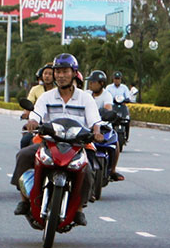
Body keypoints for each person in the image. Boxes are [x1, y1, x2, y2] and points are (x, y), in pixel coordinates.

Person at [11, 53, 103, 226]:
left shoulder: (85, 98)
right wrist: (32, 122)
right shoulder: (46, 97)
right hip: (49, 142)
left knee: (89, 171)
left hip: (77, 145)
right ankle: (24, 200)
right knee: (23, 155)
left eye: (65, 71)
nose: (61, 76)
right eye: (57, 72)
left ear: (74, 73)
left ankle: (79, 210)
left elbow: (95, 121)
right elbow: (36, 113)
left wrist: (97, 131)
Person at [86, 70, 124, 181]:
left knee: (115, 142)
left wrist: (105, 113)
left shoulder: (107, 95)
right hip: (88, 127)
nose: (90, 84)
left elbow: (108, 108)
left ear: (101, 83)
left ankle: (112, 170)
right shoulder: (86, 94)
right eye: (90, 82)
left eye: (93, 82)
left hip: (104, 127)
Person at [20, 63, 54, 148]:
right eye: (45, 73)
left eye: (50, 74)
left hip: (55, 126)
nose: (47, 76)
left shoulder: (58, 91)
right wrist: (26, 114)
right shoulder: (35, 89)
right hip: (38, 124)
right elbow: (29, 103)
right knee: (25, 140)